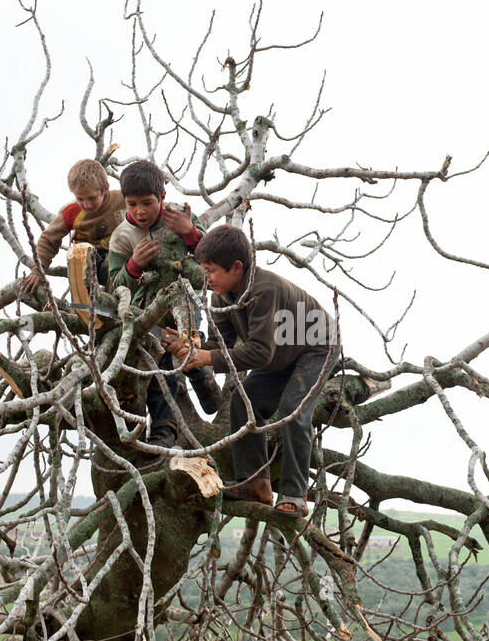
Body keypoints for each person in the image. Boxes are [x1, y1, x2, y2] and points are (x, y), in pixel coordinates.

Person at [167, 223, 339, 518]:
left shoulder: (264, 290)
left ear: (236, 267)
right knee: (241, 402)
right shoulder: (220, 298)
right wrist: (186, 347)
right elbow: (220, 344)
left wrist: (206, 357)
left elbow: (259, 352)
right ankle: (255, 484)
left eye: (211, 271)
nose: (206, 279)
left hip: (316, 346)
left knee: (292, 411)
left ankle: (294, 494)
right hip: (280, 355)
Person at [104, 160, 216, 447]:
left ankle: (201, 374)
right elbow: (115, 285)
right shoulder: (122, 236)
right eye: (132, 204)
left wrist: (189, 230)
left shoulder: (179, 217)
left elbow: (210, 256)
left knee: (187, 341)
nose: (139, 211)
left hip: (184, 299)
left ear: (163, 197)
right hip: (147, 310)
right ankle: (164, 428)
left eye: (147, 203)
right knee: (158, 362)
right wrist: (134, 265)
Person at [21, 158, 125, 295]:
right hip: (91, 260)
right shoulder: (72, 212)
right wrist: (38, 271)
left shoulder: (124, 199)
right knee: (84, 258)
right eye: (80, 199)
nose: (86, 205)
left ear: (105, 189)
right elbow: (49, 239)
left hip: (122, 252)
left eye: (92, 198)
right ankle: (86, 303)